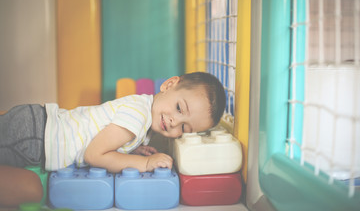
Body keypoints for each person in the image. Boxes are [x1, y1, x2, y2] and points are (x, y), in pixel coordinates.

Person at [0, 72, 226, 207]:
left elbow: (105, 137)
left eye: (185, 127)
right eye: (179, 108)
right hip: (35, 135)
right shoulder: (137, 115)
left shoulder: (143, 112)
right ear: (168, 85)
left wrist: (130, 151)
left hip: (37, 131)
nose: (174, 122)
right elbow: (94, 154)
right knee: (32, 192)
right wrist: (145, 164)